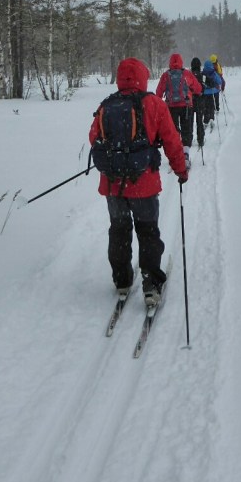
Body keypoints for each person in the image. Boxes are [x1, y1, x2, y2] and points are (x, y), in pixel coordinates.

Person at [89, 57, 188, 307]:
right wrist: (180, 169)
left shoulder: (106, 105)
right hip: (143, 184)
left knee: (119, 229)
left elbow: (93, 137)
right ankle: (151, 283)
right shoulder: (153, 104)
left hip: (113, 185)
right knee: (147, 231)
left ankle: (122, 280)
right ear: (142, 77)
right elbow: (172, 140)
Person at [155, 53, 203, 165]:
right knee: (186, 130)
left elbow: (158, 92)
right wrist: (197, 91)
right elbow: (198, 88)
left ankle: (176, 156)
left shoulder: (166, 75)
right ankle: (185, 155)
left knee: (174, 131)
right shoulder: (186, 74)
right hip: (186, 106)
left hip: (171, 107)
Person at [190, 57, 207, 148]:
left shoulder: (189, 75)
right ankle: (200, 139)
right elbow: (204, 88)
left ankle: (188, 139)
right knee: (199, 121)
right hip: (200, 101)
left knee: (189, 122)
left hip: (190, 102)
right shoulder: (202, 75)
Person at [200, 59, 223, 126]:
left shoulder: (203, 73)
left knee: (205, 107)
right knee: (212, 106)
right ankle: (211, 118)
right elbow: (219, 81)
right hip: (212, 92)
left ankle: (205, 120)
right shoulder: (214, 73)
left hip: (204, 93)